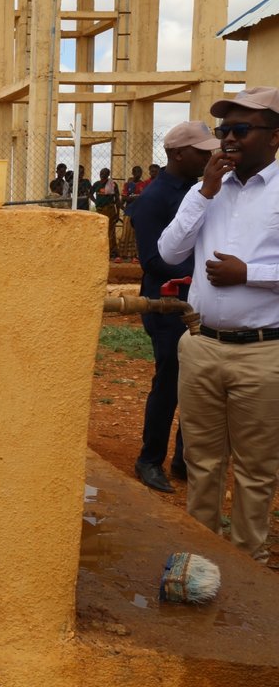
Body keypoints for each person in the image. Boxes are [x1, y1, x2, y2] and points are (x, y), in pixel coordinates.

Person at [158, 86, 279, 563]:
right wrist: (205, 192)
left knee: (255, 469)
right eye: (224, 130)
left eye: (241, 129)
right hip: (202, 346)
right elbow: (169, 252)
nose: (228, 139)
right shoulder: (206, 189)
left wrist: (251, 274)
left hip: (263, 353)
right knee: (201, 461)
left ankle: (248, 565)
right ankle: (198, 558)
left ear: (274, 136)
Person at [128, 122, 217, 493]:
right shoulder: (154, 198)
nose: (210, 156)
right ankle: (149, 460)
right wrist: (204, 271)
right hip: (167, 305)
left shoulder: (203, 190)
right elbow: (152, 259)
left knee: (198, 382)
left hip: (197, 301)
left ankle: (183, 459)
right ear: (179, 154)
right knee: (170, 383)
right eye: (202, 151)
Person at [91, 167, 121, 258]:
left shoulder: (112, 184)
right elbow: (90, 194)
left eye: (104, 173)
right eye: (101, 173)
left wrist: (117, 213)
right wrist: (96, 202)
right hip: (100, 210)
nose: (102, 175)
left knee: (111, 231)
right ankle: (100, 250)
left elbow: (117, 199)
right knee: (100, 230)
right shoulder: (97, 184)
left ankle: (112, 251)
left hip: (109, 209)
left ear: (108, 175)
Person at [118, 165, 144, 258]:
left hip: (139, 212)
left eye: (139, 172)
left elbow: (143, 198)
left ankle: (133, 255)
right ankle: (122, 254)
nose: (138, 174)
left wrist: (130, 197)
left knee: (135, 234)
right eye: (136, 172)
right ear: (132, 173)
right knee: (125, 233)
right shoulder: (128, 185)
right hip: (129, 212)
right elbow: (124, 199)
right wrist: (125, 208)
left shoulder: (143, 185)